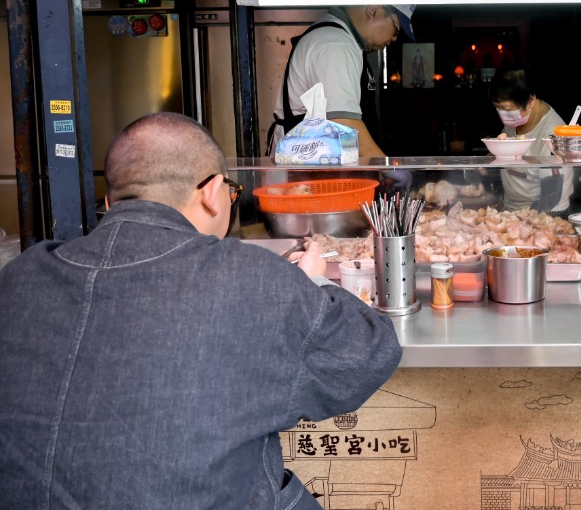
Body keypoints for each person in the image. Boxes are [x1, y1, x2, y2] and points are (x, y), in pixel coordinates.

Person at [0, 112, 403, 509]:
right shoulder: (251, 277)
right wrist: (310, 281)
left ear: (109, 202)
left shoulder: (21, 275)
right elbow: (367, 356)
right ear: (213, 193)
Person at [271, 4, 416, 158]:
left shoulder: (345, 41)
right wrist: (384, 167)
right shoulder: (335, 45)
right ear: (374, 10)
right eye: (396, 28)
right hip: (304, 170)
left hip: (319, 164)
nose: (394, 38)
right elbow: (342, 123)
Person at [488, 63, 573, 214]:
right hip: (511, 210)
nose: (502, 114)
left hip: (547, 213)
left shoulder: (553, 134)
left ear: (531, 100)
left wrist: (524, 221)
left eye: (507, 109)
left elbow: (552, 196)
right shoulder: (516, 118)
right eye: (498, 108)